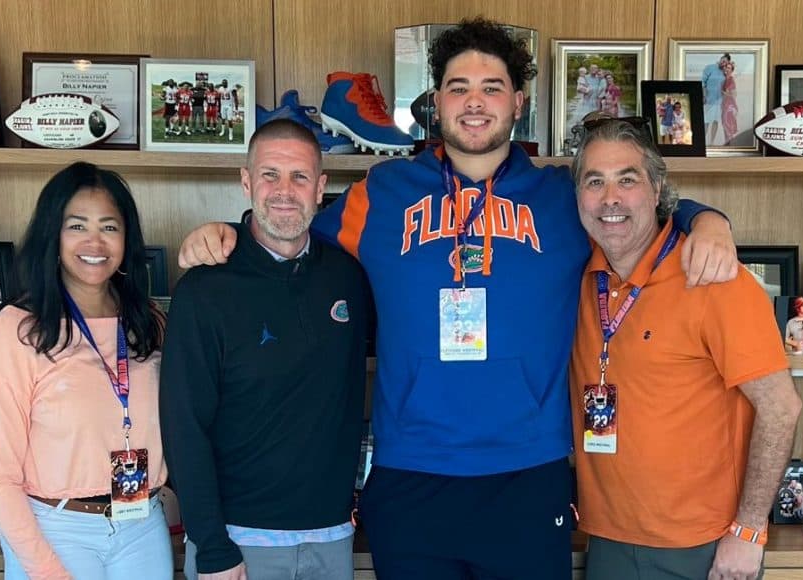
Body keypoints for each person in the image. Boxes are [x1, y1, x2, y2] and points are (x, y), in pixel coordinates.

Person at [177, 17, 740, 579]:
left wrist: (704, 218)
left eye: (492, 88)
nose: (475, 103)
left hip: (527, 473)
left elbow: (636, 208)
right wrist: (231, 229)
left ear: (518, 102)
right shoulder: (381, 193)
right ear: (436, 102)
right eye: (458, 88)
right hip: (411, 473)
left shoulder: (561, 197)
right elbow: (290, 230)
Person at [568, 114, 802, 580]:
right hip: (608, 539)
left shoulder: (714, 278)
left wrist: (749, 532)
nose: (610, 198)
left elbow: (781, 408)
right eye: (594, 181)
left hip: (702, 549)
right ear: (577, 197)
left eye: (627, 180)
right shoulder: (575, 273)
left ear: (657, 192)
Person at [160, 119, 371, 580]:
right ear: (246, 181)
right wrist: (212, 545)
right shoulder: (204, 288)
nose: (283, 190)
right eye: (269, 174)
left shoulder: (348, 278)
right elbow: (183, 426)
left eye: (299, 177)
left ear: (320, 188)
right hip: (237, 542)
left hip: (332, 538)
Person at [0, 162, 171, 580]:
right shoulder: (16, 330)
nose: (95, 241)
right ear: (53, 235)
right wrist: (45, 569)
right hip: (57, 530)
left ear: (126, 237)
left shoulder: (148, 321)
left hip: (142, 525)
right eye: (77, 226)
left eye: (110, 227)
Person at [702, 53, 730, 144]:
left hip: (719, 101)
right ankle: (702, 141)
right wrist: (704, 96)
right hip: (708, 100)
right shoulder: (710, 67)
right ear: (720, 59)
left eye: (725, 62)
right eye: (723, 60)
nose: (723, 62)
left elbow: (726, 87)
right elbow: (703, 83)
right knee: (706, 121)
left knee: (715, 121)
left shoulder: (725, 72)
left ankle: (711, 142)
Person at [721, 60, 739, 144]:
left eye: (729, 68)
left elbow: (734, 95)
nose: (727, 69)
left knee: (727, 123)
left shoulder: (731, 80)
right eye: (726, 67)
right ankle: (727, 143)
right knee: (725, 124)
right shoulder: (725, 79)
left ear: (731, 70)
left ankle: (729, 144)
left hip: (730, 105)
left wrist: (724, 93)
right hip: (725, 104)